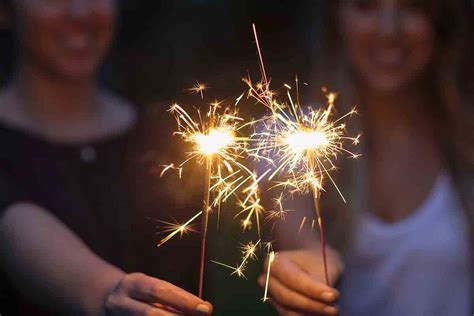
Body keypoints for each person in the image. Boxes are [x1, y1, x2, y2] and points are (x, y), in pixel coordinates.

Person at [259, 0, 474, 315]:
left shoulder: (466, 141)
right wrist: (304, 268)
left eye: (413, 6)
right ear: (337, 17)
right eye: (365, 5)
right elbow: (300, 237)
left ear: (442, 19)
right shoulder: (287, 138)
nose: (388, 31)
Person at [0, 0, 213, 315]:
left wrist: (304, 251)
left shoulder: (167, 136)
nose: (81, 12)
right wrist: (106, 291)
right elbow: (14, 224)